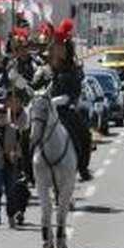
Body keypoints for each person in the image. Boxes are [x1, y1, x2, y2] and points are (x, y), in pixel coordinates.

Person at [31, 19, 93, 182]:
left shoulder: (73, 70)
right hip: (44, 110)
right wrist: (18, 81)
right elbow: (33, 87)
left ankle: (82, 167)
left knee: (84, 134)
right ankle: (26, 171)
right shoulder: (44, 70)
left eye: (59, 47)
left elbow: (74, 92)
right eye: (54, 47)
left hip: (64, 110)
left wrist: (61, 100)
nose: (55, 50)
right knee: (26, 135)